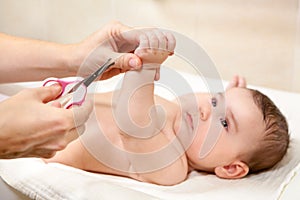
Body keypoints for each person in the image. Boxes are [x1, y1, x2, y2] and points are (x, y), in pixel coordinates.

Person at [45, 33, 289, 186]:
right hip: (50, 101)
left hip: (40, 141)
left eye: (224, 123)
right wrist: (233, 97)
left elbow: (133, 124)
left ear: (231, 168)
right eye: (215, 101)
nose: (205, 111)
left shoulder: (171, 167)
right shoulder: (175, 110)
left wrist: (147, 68)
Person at [0, 21, 171, 159]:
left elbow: (134, 130)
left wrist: (144, 71)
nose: (198, 114)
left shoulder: (173, 166)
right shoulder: (168, 107)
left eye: (197, 126)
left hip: (43, 138)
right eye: (197, 106)